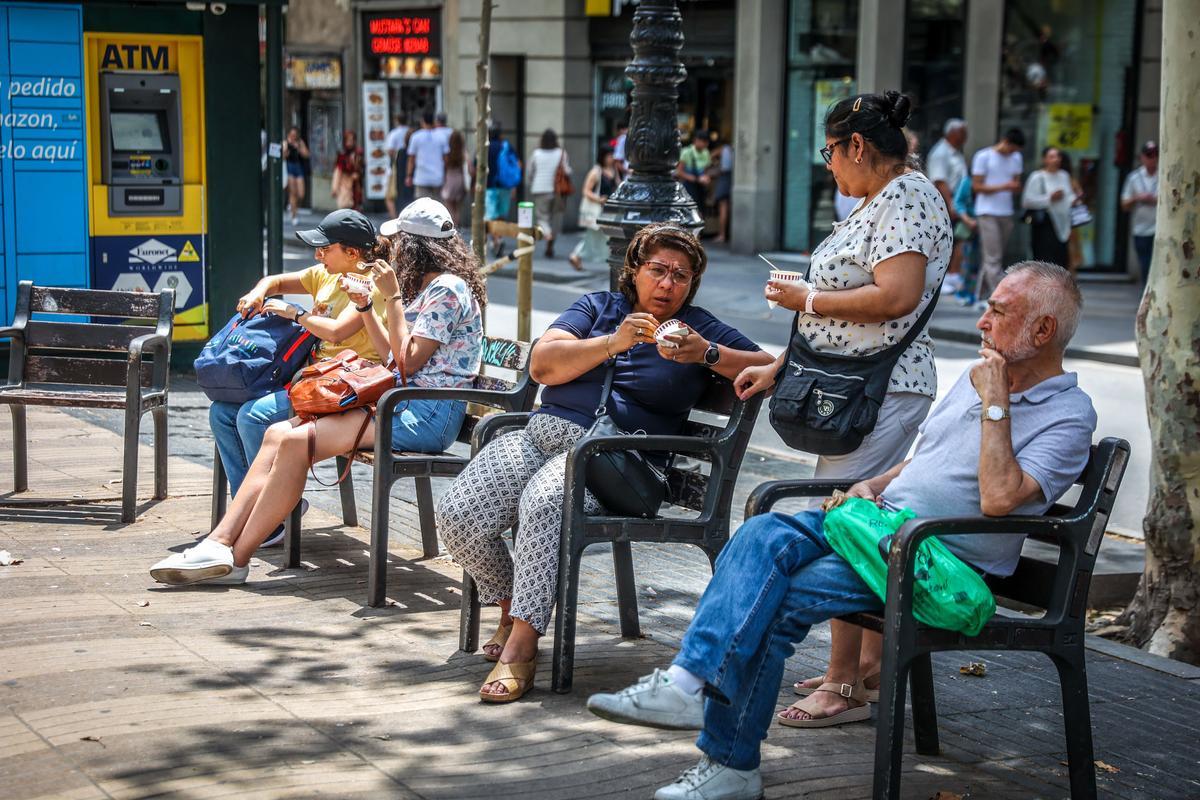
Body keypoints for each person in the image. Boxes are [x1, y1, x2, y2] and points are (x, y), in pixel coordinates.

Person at [589, 260, 1096, 800]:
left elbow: (999, 499)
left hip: (935, 560)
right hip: (879, 529)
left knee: (774, 606)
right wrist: (873, 484)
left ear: (1042, 331)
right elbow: (923, 462)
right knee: (759, 534)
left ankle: (729, 765)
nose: (982, 322)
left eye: (998, 310)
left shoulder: (1068, 415)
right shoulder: (978, 381)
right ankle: (689, 683)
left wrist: (997, 403)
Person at [436, 223, 775, 703]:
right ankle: (514, 604)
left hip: (611, 461)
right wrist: (613, 342)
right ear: (634, 271)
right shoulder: (597, 308)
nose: (667, 284)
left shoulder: (699, 327)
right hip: (539, 439)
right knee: (460, 513)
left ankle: (522, 646)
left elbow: (771, 368)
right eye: (658, 271)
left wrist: (707, 352)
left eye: (681, 276)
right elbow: (543, 365)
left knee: (545, 504)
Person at [727, 90, 952, 730]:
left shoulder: (906, 197)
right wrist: (783, 363)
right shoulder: (881, 202)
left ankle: (842, 682)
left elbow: (895, 296)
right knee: (851, 517)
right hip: (856, 384)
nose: (828, 165)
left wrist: (809, 298)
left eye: (830, 151)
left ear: (857, 145)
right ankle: (868, 671)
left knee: (842, 525)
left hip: (879, 389)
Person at [152, 199, 486, 587]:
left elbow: (408, 362)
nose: (392, 249)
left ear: (416, 245)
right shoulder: (424, 288)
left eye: (400, 241)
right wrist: (365, 306)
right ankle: (219, 541)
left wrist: (390, 299)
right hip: (398, 402)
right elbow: (390, 357)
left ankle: (236, 559)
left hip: (427, 413)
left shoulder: (447, 289)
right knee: (278, 434)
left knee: (294, 442)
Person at [207, 208, 391, 550]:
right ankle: (253, 510)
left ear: (352, 253)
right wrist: (259, 292)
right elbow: (275, 281)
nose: (317, 255)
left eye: (325, 248)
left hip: (342, 388)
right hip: (310, 380)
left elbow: (336, 332)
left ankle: (270, 514)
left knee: (253, 416)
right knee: (220, 413)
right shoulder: (325, 274)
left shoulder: (368, 285)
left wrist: (294, 312)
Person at [972, 128, 1026, 306]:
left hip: (1006, 211)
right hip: (987, 211)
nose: (1013, 153)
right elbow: (977, 186)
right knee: (993, 258)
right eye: (1012, 148)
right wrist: (1004, 186)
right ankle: (999, 298)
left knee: (993, 256)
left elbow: (1016, 184)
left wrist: (1014, 187)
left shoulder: (1016, 158)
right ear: (1005, 141)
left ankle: (980, 295)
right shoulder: (983, 156)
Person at [926, 119, 969, 292]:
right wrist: (951, 205)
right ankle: (943, 277)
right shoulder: (941, 152)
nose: (966, 137)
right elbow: (940, 181)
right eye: (963, 133)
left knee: (958, 238)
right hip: (945, 204)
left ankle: (953, 275)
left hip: (958, 202)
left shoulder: (956, 153)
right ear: (952, 133)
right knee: (946, 240)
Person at [1022, 146, 1077, 268]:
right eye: (1052, 157)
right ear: (1044, 160)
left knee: (1061, 259)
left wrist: (1074, 200)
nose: (1056, 160)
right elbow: (1027, 201)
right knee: (1045, 259)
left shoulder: (1064, 176)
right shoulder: (1037, 177)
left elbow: (1069, 195)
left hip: (1063, 222)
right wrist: (1049, 198)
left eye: (1058, 156)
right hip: (1045, 222)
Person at [568, 146, 619, 271]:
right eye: (609, 156)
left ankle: (577, 256)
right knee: (604, 235)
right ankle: (577, 255)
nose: (611, 158)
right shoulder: (596, 171)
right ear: (603, 156)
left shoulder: (614, 170)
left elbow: (618, 185)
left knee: (601, 236)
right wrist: (599, 199)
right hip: (598, 210)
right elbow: (586, 190)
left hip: (609, 210)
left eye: (612, 155)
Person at [527, 128, 571, 258]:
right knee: (554, 219)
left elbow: (530, 171)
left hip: (540, 189)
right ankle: (550, 246)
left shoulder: (536, 153)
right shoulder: (561, 153)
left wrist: (532, 182)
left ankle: (547, 234)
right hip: (557, 191)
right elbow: (567, 171)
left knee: (542, 217)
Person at [1120, 140, 1158, 282]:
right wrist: (1137, 198)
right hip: (1140, 228)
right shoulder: (1134, 177)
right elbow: (1124, 204)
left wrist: (1153, 200)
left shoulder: (1165, 175)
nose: (1152, 158)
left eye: (1155, 154)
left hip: (1159, 228)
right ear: (1142, 157)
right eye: (1149, 154)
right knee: (1145, 265)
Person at [484, 123, 519, 258]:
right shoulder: (506, 146)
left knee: (491, 215)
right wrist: (513, 184)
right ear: (501, 134)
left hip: (490, 186)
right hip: (505, 186)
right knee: (501, 215)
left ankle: (496, 240)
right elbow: (516, 164)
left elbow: (476, 166)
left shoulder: (485, 147)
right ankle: (499, 238)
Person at [406, 112, 449, 201]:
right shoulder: (441, 137)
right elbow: (446, 159)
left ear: (422, 121)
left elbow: (411, 159)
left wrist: (409, 175)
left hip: (421, 177)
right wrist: (445, 174)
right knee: (438, 206)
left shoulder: (416, 136)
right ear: (433, 121)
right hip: (437, 177)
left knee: (422, 207)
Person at [676, 130, 712, 213]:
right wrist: (695, 179)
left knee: (701, 211)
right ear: (696, 140)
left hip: (701, 188)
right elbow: (679, 172)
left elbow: (706, 171)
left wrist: (706, 178)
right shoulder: (687, 152)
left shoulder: (706, 152)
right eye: (703, 141)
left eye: (706, 142)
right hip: (688, 187)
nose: (705, 144)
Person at [441, 129, 470, 227]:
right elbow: (469, 167)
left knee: (449, 205)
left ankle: (451, 226)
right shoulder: (463, 153)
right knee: (457, 207)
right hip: (460, 180)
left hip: (449, 179)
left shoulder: (448, 153)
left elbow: (444, 167)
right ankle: (456, 226)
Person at [282, 127, 309, 226]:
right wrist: (286, 152)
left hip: (298, 167)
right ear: (289, 135)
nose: (293, 137)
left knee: (301, 193)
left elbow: (306, 154)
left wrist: (299, 148)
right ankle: (294, 215)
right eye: (291, 135)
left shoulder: (300, 142)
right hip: (289, 167)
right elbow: (282, 156)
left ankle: (292, 205)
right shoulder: (285, 143)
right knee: (293, 193)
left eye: (295, 135)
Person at [384, 113, 410, 217]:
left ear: (396, 121)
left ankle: (394, 219)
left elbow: (390, 150)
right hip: (409, 167)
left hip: (395, 167)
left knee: (390, 195)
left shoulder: (394, 133)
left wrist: (396, 156)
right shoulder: (410, 132)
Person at [331, 130, 364, 210]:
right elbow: (338, 172)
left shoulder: (358, 153)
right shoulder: (342, 155)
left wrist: (358, 174)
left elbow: (362, 168)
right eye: (348, 141)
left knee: (356, 207)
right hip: (345, 183)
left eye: (352, 141)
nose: (349, 143)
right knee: (345, 206)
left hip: (356, 185)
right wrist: (335, 187)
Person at [713, 141, 733, 243]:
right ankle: (725, 234)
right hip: (732, 179)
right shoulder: (732, 150)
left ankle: (722, 234)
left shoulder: (724, 148)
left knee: (723, 208)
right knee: (727, 208)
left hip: (724, 180)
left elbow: (711, 156)